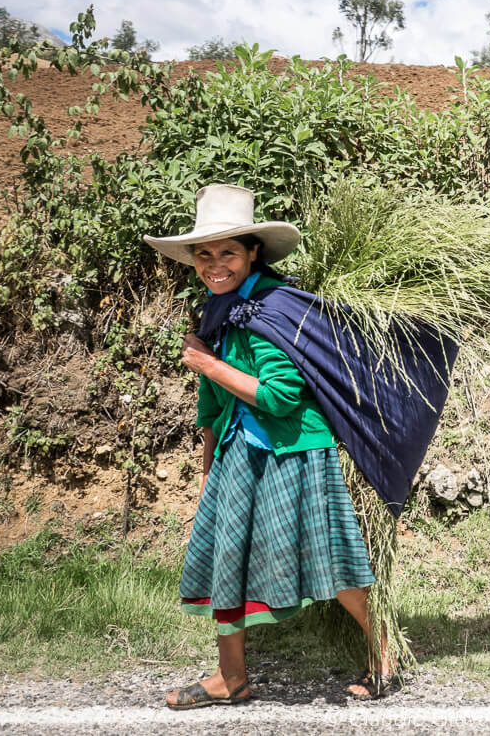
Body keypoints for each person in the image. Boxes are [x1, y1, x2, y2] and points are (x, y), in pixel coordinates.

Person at [145, 184, 398, 709]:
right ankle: (230, 678)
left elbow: (282, 398)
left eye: (229, 252)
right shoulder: (218, 310)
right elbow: (212, 400)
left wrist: (209, 363)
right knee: (225, 555)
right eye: (204, 254)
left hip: (294, 450)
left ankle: (384, 657)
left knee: (332, 560)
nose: (216, 264)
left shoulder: (271, 310)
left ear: (253, 252)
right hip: (240, 448)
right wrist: (209, 457)